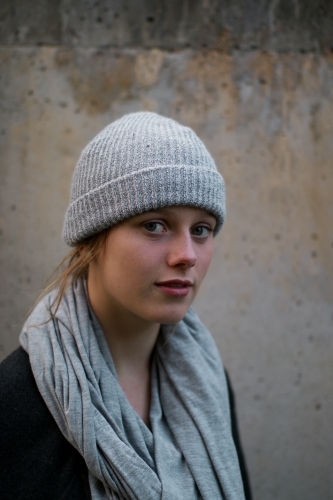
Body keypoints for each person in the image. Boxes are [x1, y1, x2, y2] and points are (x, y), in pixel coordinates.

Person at [0, 112, 251, 500]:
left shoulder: (209, 382)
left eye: (201, 229)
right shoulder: (15, 401)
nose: (187, 255)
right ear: (90, 239)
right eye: (155, 225)